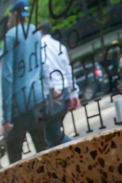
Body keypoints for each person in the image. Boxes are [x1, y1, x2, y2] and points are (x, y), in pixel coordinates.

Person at [1, 0, 46, 164]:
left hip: (18, 105)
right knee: (44, 150)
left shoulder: (10, 36)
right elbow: (40, 64)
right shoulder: (34, 31)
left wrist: (6, 117)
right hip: (38, 98)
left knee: (15, 157)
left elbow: (6, 76)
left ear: (14, 14)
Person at [39, 20, 80, 149]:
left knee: (53, 135)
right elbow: (68, 70)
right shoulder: (58, 46)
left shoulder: (39, 47)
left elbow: (45, 69)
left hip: (54, 93)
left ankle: (78, 149)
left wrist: (52, 90)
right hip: (65, 90)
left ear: (40, 31)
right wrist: (74, 93)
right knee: (52, 135)